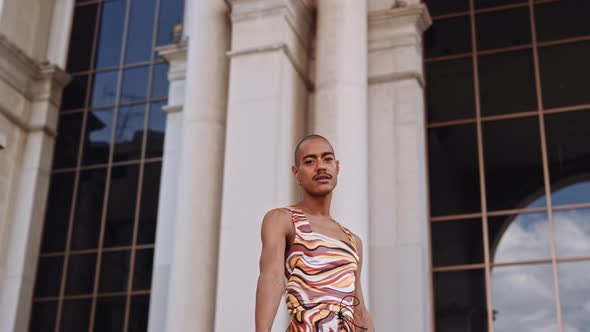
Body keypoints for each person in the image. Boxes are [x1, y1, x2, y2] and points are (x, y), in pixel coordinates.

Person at [255, 134, 374, 331]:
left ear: (337, 167)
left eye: (327, 159)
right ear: (297, 173)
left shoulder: (353, 241)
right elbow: (272, 277)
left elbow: (358, 307)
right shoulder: (282, 219)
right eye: (310, 161)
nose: (320, 166)